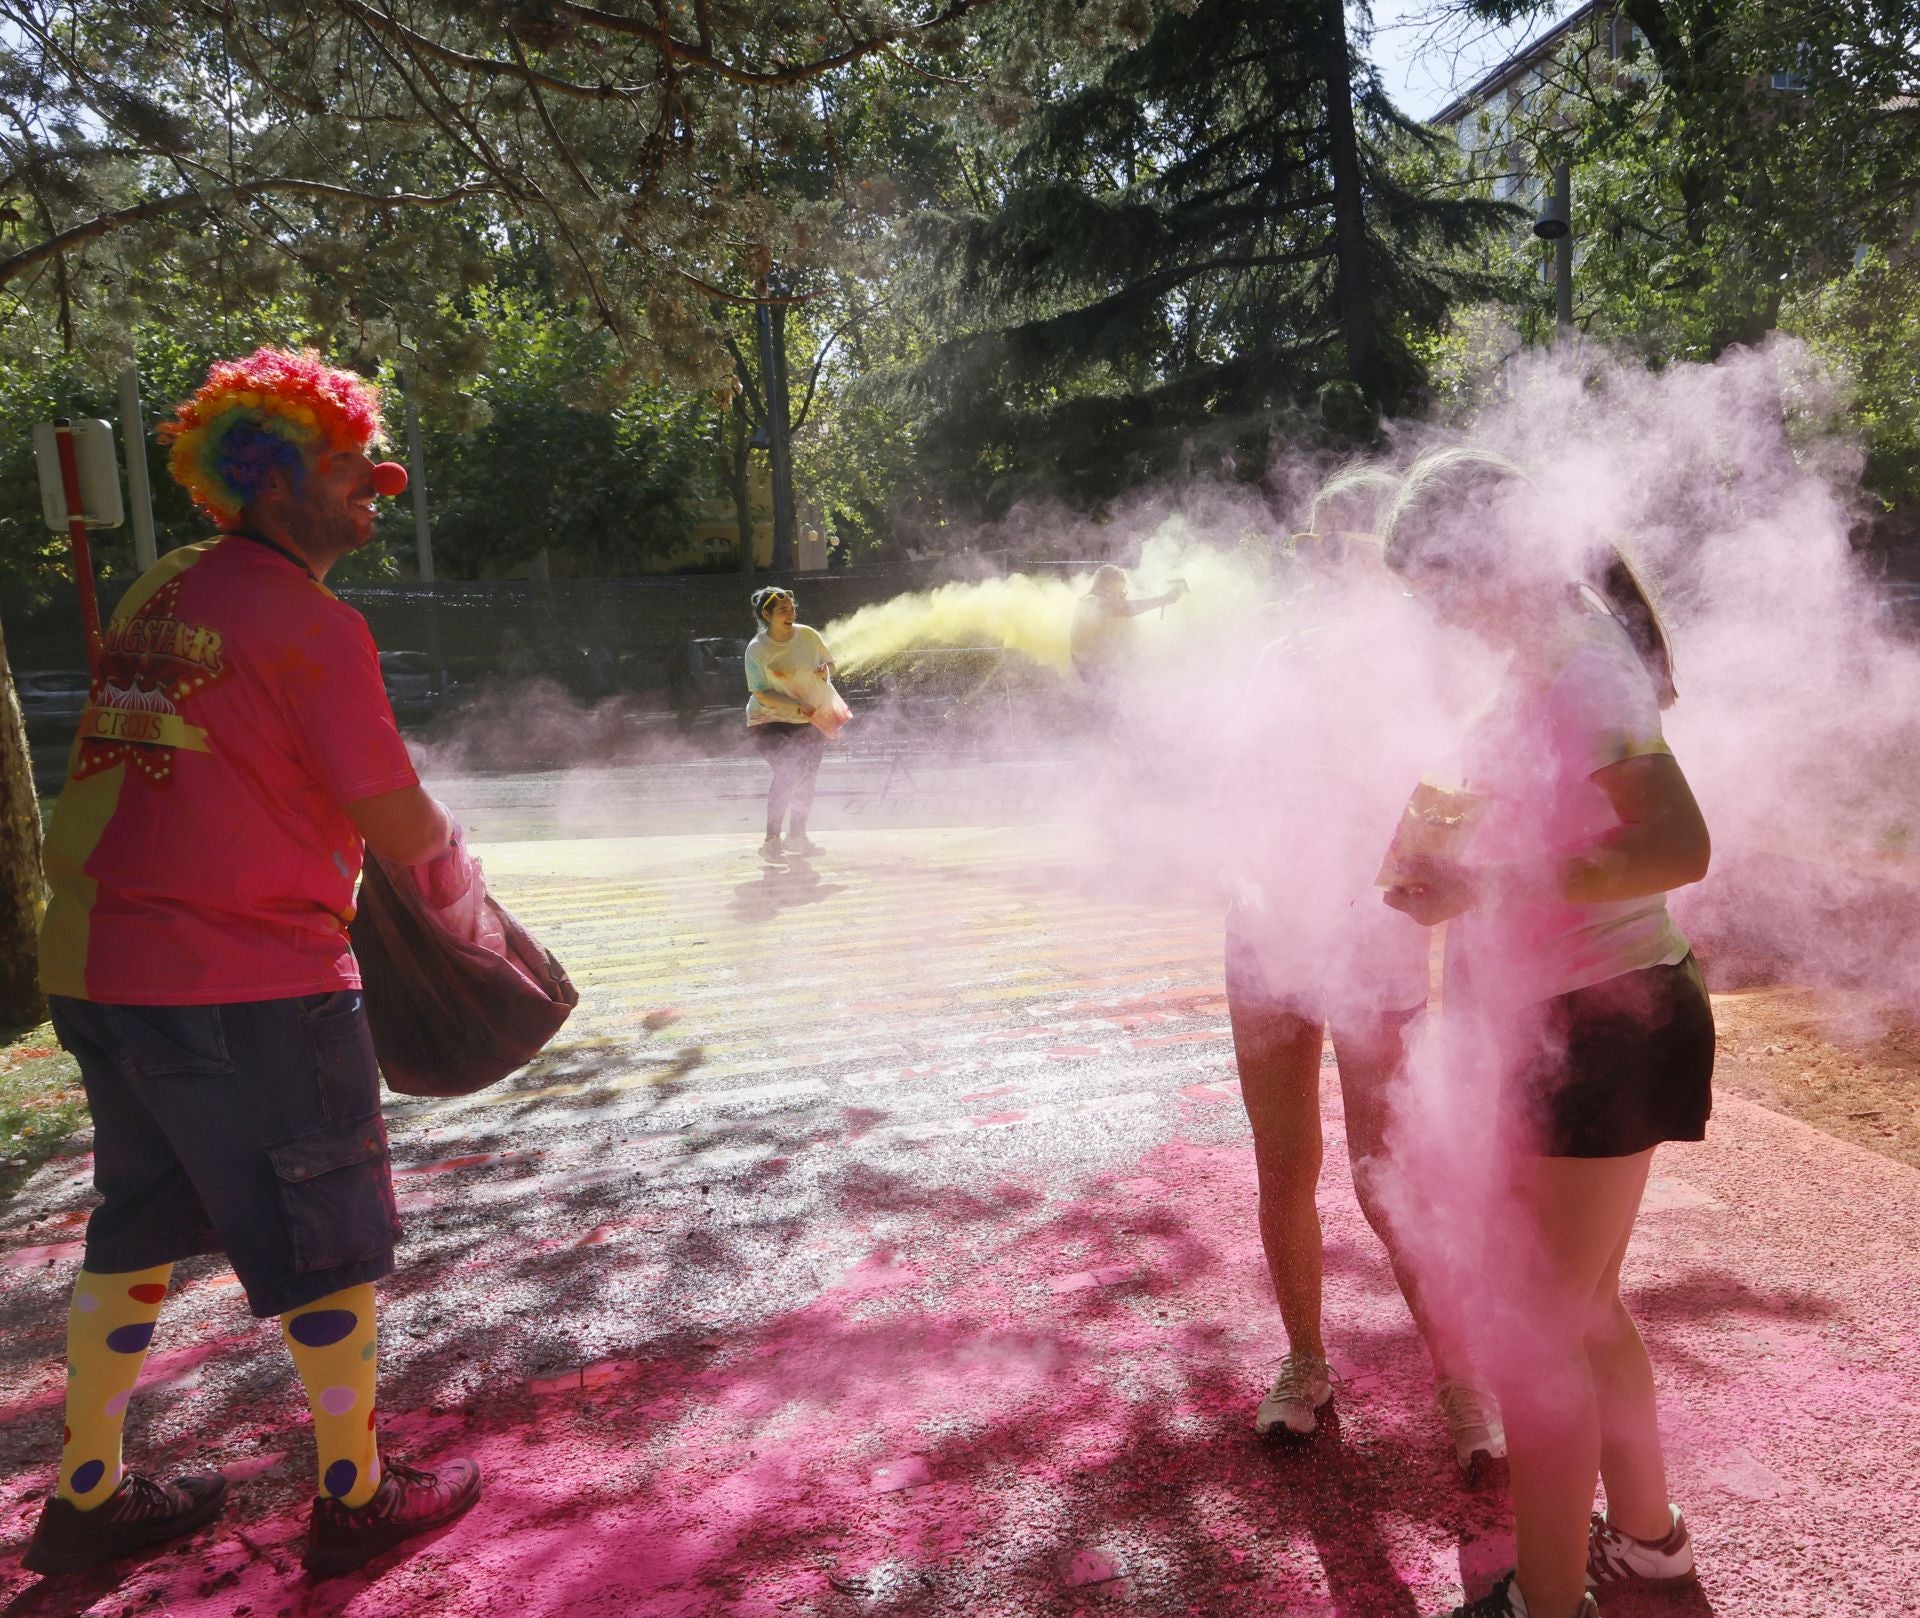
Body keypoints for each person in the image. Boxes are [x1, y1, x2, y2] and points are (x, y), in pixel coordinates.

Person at [24, 348, 482, 1580]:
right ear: (271, 478)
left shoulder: (160, 586)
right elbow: (391, 811)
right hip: (248, 976)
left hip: (98, 969)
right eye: (350, 472)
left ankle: (86, 1496)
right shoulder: (313, 624)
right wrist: (467, 904)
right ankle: (358, 1492)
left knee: (135, 1225)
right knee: (325, 1229)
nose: (373, 494)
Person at [1377, 448, 1712, 1618]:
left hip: (1604, 1020)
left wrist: (1485, 876)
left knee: (1536, 1336)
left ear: (1487, 556)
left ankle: (1548, 1604)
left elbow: (1678, 845)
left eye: (1436, 583)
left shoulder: (1579, 663)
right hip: (1580, 1017)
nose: (1434, 611)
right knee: (1586, 1310)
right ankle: (1651, 1551)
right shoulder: (1547, 655)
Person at [1221, 466, 1504, 1474]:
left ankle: (1463, 1377)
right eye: (1335, 540)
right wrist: (1256, 896)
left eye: (1368, 541)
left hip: (1375, 939)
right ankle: (1305, 1362)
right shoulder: (1283, 659)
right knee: (1283, 1164)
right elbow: (1236, 797)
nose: (1352, 559)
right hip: (1267, 940)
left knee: (1390, 1176)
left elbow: (1476, 790)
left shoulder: (1441, 665)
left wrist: (1451, 859)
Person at [744, 586, 836, 860]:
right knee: (789, 772)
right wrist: (796, 705)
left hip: (807, 718)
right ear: (767, 614)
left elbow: (830, 662)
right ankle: (771, 841)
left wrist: (826, 669)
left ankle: (797, 836)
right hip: (767, 719)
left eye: (793, 608)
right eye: (783, 610)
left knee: (807, 777)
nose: (791, 614)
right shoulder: (757, 649)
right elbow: (760, 691)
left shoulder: (808, 635)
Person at [1069, 563, 1187, 686]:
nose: (1118, 597)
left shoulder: (1104, 604)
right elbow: (1125, 609)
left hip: (1105, 670)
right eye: (1113, 592)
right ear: (1102, 586)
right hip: (1091, 673)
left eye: (1120, 594)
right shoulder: (1089, 601)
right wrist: (1162, 599)